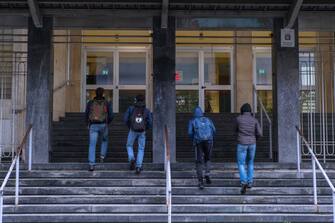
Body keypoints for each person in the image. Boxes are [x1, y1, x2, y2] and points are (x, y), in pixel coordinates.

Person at [236, 103, 262, 194]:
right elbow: (259, 133)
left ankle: (244, 181)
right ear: (250, 111)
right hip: (252, 143)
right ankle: (250, 182)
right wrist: (255, 139)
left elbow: (235, 130)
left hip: (241, 143)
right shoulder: (254, 120)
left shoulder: (238, 119)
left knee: (241, 163)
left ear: (242, 110)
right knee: (250, 163)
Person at [188, 106, 216, 190]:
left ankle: (200, 182)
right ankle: (207, 173)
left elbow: (189, 132)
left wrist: (193, 139)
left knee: (199, 162)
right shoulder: (208, 120)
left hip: (198, 142)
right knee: (207, 159)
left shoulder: (192, 121)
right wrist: (210, 138)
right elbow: (214, 130)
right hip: (209, 141)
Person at [85, 87, 113, 171]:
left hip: (93, 125)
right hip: (103, 125)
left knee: (92, 144)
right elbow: (111, 115)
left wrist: (87, 123)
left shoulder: (90, 102)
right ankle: (102, 157)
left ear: (95, 93)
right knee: (104, 140)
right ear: (103, 93)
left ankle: (91, 164)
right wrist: (107, 122)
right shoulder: (106, 103)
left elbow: (86, 114)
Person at [124, 94, 152, 174]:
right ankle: (138, 167)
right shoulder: (146, 110)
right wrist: (146, 128)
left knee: (129, 145)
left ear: (136, 100)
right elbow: (150, 122)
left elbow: (125, 119)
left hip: (132, 130)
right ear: (143, 100)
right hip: (142, 131)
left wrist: (130, 126)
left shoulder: (131, 108)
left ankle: (131, 158)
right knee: (141, 148)